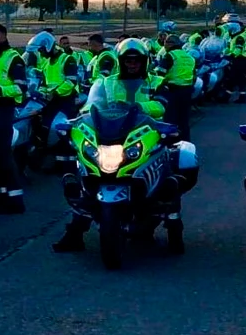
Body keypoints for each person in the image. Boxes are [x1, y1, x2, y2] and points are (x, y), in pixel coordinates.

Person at [53, 39, 167, 253]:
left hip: (142, 134)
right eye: (128, 60)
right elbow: (92, 104)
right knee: (88, 176)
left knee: (165, 172)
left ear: (145, 61)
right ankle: (74, 234)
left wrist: (138, 106)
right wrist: (81, 118)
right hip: (110, 134)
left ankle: (166, 217)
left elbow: (161, 106)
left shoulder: (156, 81)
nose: (132, 64)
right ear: (120, 61)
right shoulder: (107, 82)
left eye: (136, 60)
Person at [0, 24, 29, 215]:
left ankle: (16, 200)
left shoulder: (14, 58)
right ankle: (2, 196)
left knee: (4, 157)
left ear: (4, 36)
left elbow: (21, 88)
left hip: (5, 110)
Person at [26, 31, 81, 171]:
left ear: (48, 46)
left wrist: (54, 93)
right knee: (41, 125)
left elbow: (71, 82)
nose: (40, 53)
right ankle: (48, 158)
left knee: (60, 130)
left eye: (41, 50)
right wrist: (36, 92)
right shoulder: (47, 63)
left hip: (66, 101)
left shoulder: (67, 59)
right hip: (52, 101)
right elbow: (45, 83)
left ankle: (68, 166)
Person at [154, 34, 196, 140]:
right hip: (187, 91)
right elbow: (194, 75)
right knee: (184, 119)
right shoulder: (189, 57)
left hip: (172, 90)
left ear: (170, 44)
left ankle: (171, 143)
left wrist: (157, 88)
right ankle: (186, 142)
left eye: (166, 42)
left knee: (170, 119)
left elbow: (160, 73)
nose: (165, 45)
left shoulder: (170, 55)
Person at [225, 23, 246, 104]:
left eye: (230, 29)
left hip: (239, 60)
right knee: (238, 79)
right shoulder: (236, 36)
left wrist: (230, 56)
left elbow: (238, 50)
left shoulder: (239, 37)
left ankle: (228, 97)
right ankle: (239, 97)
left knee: (234, 78)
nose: (229, 31)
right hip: (240, 60)